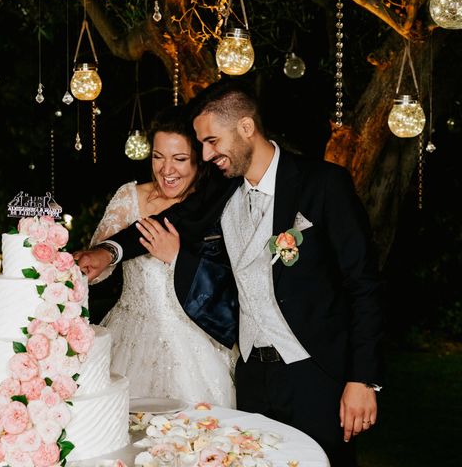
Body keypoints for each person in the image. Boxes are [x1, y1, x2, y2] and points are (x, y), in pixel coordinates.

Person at [75, 80, 384, 466]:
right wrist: (108, 251)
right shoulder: (224, 190)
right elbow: (169, 220)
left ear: (246, 128)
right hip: (252, 378)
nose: (206, 154)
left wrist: (363, 378)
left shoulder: (322, 184)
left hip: (314, 374)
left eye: (211, 141)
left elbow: (363, 285)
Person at [88, 106, 238, 408]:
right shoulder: (130, 197)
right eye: (158, 157)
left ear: (200, 159)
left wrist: (178, 256)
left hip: (197, 344)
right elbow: (100, 267)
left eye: (180, 159)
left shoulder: (216, 203)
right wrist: (97, 259)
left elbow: (230, 279)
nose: (166, 170)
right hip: (130, 337)